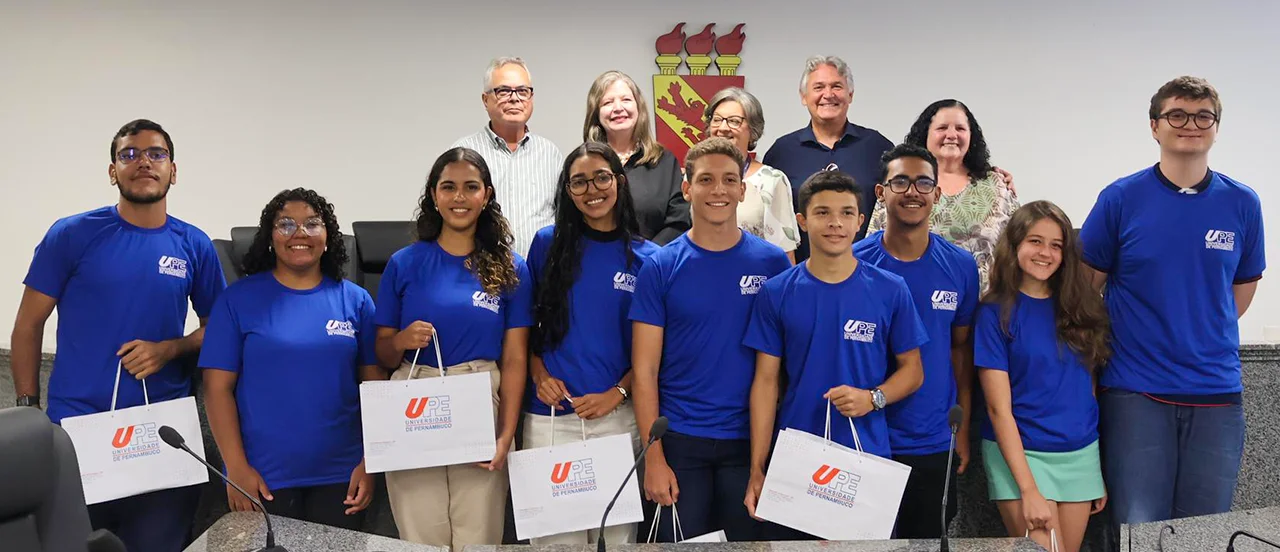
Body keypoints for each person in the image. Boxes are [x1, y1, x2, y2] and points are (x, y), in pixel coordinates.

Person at [9, 119, 225, 552]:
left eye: (156, 154)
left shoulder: (194, 245)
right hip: (76, 433)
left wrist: (171, 348)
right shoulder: (72, 234)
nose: (143, 162)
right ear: (113, 171)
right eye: (129, 154)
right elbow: (27, 326)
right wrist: (30, 410)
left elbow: (218, 330)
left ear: (173, 171)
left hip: (161, 436)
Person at [1080, 76, 1265, 524]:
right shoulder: (1121, 198)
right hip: (1136, 392)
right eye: (1177, 115)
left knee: (1204, 530)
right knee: (1140, 528)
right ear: (1154, 126)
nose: (1191, 125)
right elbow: (1085, 289)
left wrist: (1197, 327)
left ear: (1216, 128)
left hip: (1217, 394)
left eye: (1204, 116)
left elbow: (1238, 295)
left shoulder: (1242, 203)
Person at [743, 169, 927, 539]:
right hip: (795, 458)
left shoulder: (890, 290)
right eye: (822, 213)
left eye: (846, 213)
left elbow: (913, 371)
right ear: (802, 221)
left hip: (867, 457)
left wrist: (873, 398)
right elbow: (765, 383)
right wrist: (758, 468)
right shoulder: (777, 292)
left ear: (860, 221)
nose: (835, 223)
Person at [629, 137, 791, 542]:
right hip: (680, 442)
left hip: (748, 442)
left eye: (728, 180)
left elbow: (777, 368)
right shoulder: (661, 266)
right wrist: (654, 459)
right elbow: (645, 371)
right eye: (705, 180)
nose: (718, 190)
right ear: (687, 189)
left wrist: (761, 462)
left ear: (742, 189)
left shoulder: (771, 263)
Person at [373, 147, 533, 548]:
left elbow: (515, 360)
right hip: (415, 396)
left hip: (479, 395)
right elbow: (381, 353)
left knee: (478, 537)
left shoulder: (511, 266)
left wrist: (505, 435)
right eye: (448, 187)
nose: (459, 197)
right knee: (420, 537)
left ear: (487, 195)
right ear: (433, 195)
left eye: (470, 187)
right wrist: (401, 341)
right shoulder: (404, 263)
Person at [200, 188, 379, 530]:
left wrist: (371, 461)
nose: (300, 233)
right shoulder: (236, 301)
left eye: (313, 224)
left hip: (343, 476)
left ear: (328, 238)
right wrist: (235, 469)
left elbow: (374, 388)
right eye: (286, 224)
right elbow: (216, 390)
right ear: (270, 238)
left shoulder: (356, 301)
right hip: (262, 477)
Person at [524, 143, 660, 544]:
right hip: (549, 420)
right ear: (568, 191)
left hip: (616, 420)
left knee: (615, 541)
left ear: (619, 182)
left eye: (601, 177)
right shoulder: (546, 245)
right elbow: (525, 331)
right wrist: (540, 376)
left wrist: (617, 393)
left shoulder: (649, 258)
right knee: (554, 543)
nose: (592, 189)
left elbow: (654, 354)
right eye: (578, 182)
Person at [853, 144, 979, 539]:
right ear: (881, 192)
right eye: (901, 181)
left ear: (937, 194)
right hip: (866, 437)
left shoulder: (959, 266)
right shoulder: (854, 262)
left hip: (932, 438)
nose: (912, 191)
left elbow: (960, 349)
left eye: (924, 182)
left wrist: (963, 427)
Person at [976, 201, 1110, 552]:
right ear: (1015, 244)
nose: (1045, 253)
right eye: (1036, 241)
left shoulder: (1082, 308)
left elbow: (1088, 392)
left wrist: (1094, 468)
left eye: (1056, 245)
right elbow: (997, 410)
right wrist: (1029, 490)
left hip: (1079, 453)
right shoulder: (994, 313)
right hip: (1023, 457)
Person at [868, 100, 1018, 292]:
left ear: (971, 136)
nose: (952, 135)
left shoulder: (998, 185)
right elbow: (876, 245)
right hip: (914, 304)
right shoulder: (900, 184)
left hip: (985, 309)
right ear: (926, 135)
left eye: (960, 128)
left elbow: (1018, 246)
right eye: (942, 127)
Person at [761, 55, 892, 261]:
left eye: (837, 86)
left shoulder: (878, 147)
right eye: (819, 87)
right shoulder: (782, 152)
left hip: (868, 275)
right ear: (804, 96)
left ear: (850, 94)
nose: (828, 94)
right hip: (802, 274)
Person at [454, 57, 562, 256]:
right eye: (503, 91)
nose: (515, 98)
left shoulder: (550, 154)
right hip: (478, 275)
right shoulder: (463, 154)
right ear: (485, 100)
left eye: (522, 91)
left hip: (541, 277)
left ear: (531, 97)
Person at [583, 70, 688, 244]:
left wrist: (648, 259)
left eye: (626, 100)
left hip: (655, 265)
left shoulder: (665, 162)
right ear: (596, 113)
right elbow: (569, 220)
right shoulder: (583, 163)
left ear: (639, 107)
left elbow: (679, 221)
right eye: (608, 102)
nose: (618, 108)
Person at [705, 87, 800, 263]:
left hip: (752, 283)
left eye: (734, 121)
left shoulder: (771, 181)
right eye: (717, 120)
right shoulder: (693, 177)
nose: (723, 128)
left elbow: (785, 255)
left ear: (752, 130)